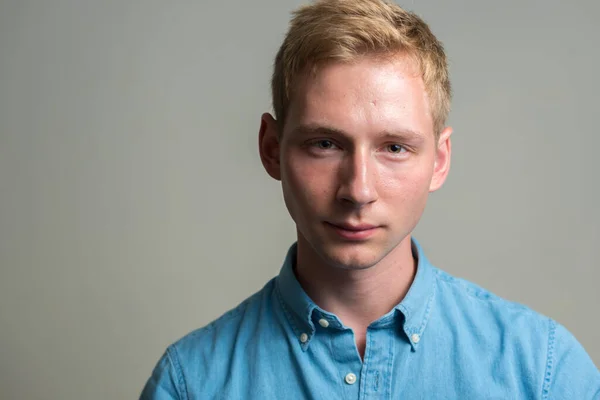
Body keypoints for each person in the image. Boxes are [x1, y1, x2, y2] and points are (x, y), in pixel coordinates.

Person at [140, 0, 600, 398]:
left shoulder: (544, 372)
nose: (358, 190)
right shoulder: (190, 384)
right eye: (325, 144)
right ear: (271, 149)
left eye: (394, 147)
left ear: (439, 160)